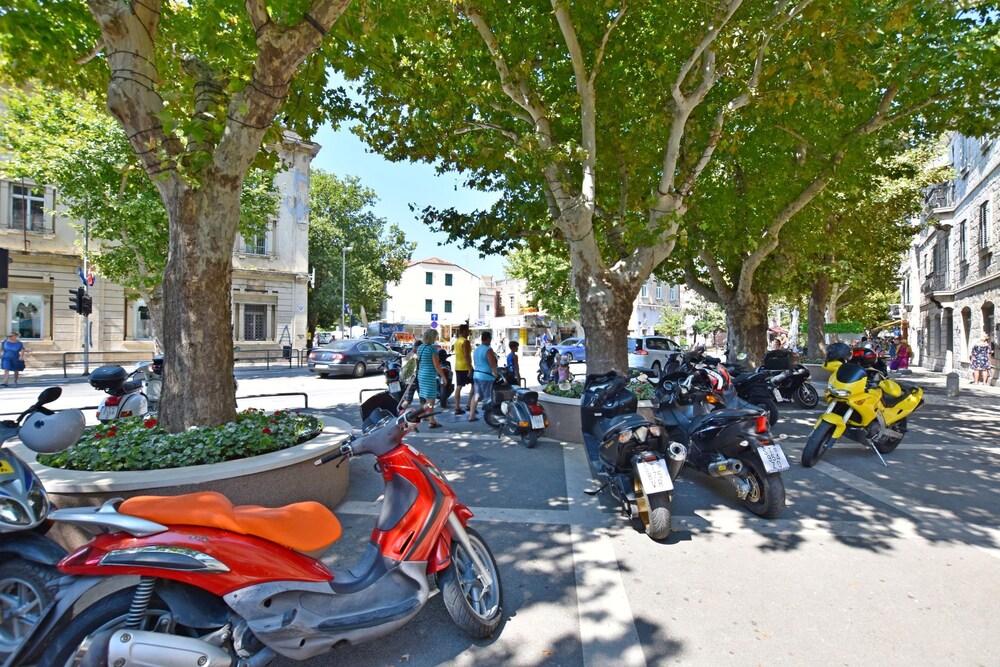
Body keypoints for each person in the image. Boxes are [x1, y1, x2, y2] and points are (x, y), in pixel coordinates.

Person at [415, 329, 448, 427]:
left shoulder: (420, 347)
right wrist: (444, 377)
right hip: (429, 375)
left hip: (421, 374)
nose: (436, 338)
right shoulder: (432, 349)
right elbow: (437, 366)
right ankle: (431, 421)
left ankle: (423, 416)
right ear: (432, 337)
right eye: (435, 337)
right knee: (431, 400)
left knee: (426, 397)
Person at [468, 331, 499, 422]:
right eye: (490, 339)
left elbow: (475, 362)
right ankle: (490, 417)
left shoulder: (476, 350)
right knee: (488, 397)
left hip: (476, 374)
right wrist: (496, 374)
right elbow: (492, 364)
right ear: (488, 339)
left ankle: (471, 416)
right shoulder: (488, 349)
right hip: (486, 376)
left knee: (476, 395)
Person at [452, 324, 472, 415]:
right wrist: (470, 368)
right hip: (465, 366)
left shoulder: (457, 341)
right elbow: (466, 355)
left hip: (458, 366)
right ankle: (469, 404)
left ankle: (457, 407)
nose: (469, 332)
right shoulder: (465, 341)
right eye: (467, 330)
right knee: (475, 385)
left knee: (459, 386)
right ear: (464, 330)